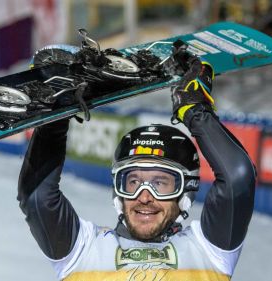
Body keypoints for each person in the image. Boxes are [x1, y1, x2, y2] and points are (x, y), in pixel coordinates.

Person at [17, 49, 256, 280]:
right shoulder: (84, 250)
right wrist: (54, 119)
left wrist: (195, 110)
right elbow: (38, 198)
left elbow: (237, 178)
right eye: (132, 182)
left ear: (186, 192)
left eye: (160, 183)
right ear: (117, 191)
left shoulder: (208, 252)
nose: (144, 196)